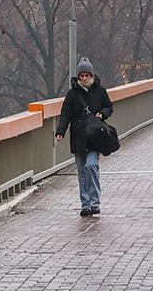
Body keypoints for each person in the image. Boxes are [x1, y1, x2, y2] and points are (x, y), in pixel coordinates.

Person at [55, 57, 113, 216]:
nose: (85, 78)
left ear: (91, 75)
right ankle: (85, 205)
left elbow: (109, 106)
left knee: (91, 166)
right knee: (82, 172)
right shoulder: (72, 94)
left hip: (94, 137)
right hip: (79, 137)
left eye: (87, 75)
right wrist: (61, 131)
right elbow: (65, 114)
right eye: (82, 76)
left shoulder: (100, 91)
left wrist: (103, 114)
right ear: (79, 77)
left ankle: (95, 202)